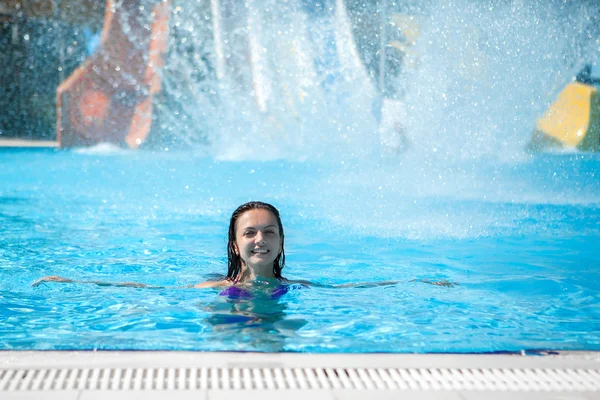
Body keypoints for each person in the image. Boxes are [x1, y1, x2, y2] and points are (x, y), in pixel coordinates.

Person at [33, 201, 455, 290]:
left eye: (269, 232)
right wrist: (73, 280)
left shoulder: (299, 287)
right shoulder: (214, 287)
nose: (260, 239)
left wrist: (415, 280)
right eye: (250, 233)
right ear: (235, 245)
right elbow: (148, 290)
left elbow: (353, 290)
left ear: (281, 241)